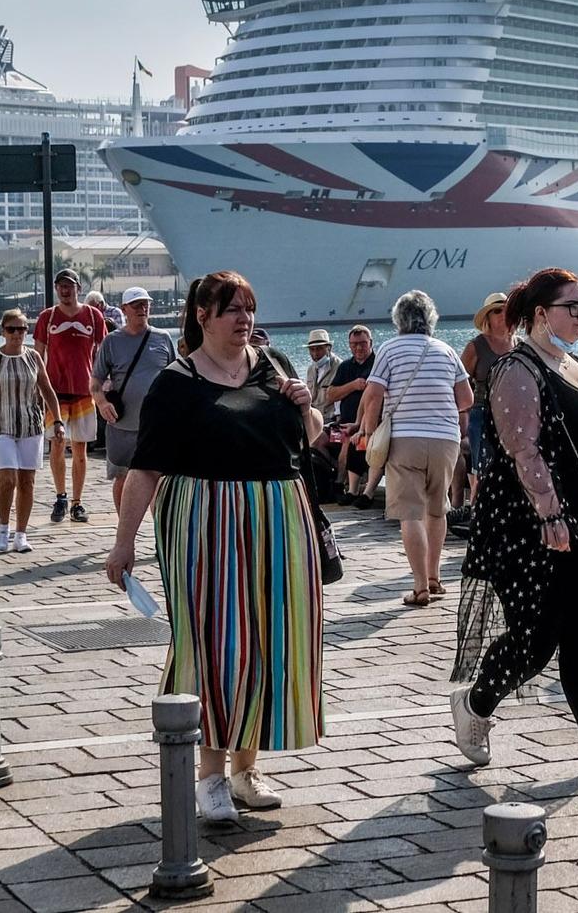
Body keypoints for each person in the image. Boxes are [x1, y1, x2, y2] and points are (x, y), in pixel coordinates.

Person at [105, 270, 325, 825]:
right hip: (205, 520)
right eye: (232, 309)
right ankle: (209, 774)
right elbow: (145, 468)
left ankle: (247, 770)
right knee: (214, 643)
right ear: (202, 316)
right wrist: (123, 541)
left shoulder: (274, 367)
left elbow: (312, 436)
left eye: (249, 308)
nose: (244, 319)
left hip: (279, 519)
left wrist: (306, 405)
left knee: (271, 640)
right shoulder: (177, 382)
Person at [449, 267, 578, 783]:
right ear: (540, 313)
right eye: (572, 307)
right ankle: (475, 702)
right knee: (535, 639)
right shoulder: (518, 368)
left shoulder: (573, 362)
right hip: (532, 525)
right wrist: (549, 513)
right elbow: (522, 450)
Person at [359, 290, 471, 605]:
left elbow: (374, 394)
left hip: (405, 438)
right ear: (431, 319)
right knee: (437, 510)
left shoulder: (389, 349)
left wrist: (369, 432)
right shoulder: (446, 350)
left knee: (410, 513)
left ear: (398, 320)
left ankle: (420, 587)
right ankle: (435, 579)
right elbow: (466, 400)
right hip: (445, 439)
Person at [0, 310, 64, 553]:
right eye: (12, 329)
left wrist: (58, 421)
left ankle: (21, 534)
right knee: (8, 479)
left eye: (22, 329)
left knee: (27, 482)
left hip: (30, 426)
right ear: (3, 331)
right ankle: (3, 528)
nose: (17, 334)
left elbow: (47, 389)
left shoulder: (33, 356)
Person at [91, 286, 175, 517]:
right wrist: (101, 403)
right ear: (124, 309)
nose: (143, 308)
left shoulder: (163, 338)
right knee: (123, 478)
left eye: (146, 303)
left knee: (158, 480)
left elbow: (174, 379)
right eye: (137, 304)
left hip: (155, 427)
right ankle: (124, 533)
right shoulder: (112, 341)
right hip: (122, 425)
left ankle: (160, 534)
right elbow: (95, 381)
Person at [34, 268, 107, 524]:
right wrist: (39, 388)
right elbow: (38, 356)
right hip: (56, 392)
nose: (65, 290)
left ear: (78, 288)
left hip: (84, 391)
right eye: (61, 286)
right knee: (56, 443)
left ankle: (77, 501)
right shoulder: (47, 317)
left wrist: (101, 385)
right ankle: (60, 496)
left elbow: (102, 352)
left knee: (80, 447)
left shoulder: (93, 316)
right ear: (57, 289)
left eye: (70, 286)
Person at [457, 293, 513, 507]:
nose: (503, 315)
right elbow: (460, 380)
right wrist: (462, 413)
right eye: (497, 311)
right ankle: (478, 512)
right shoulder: (476, 345)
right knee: (481, 466)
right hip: (482, 412)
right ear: (487, 318)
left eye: (507, 310)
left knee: (509, 464)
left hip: (511, 413)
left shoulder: (517, 343)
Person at [323, 325, 376, 504]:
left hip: (366, 426)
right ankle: (323, 483)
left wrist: (359, 424)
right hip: (343, 422)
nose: (359, 348)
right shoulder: (346, 366)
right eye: (354, 344)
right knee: (317, 441)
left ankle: (340, 485)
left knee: (347, 439)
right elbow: (330, 395)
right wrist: (353, 385)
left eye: (362, 343)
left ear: (371, 343)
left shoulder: (377, 364)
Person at [301, 328, 341, 423]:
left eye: (319, 349)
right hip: (312, 418)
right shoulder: (311, 369)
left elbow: (340, 400)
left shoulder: (339, 367)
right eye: (312, 349)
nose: (315, 354)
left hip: (329, 420)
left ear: (329, 348)